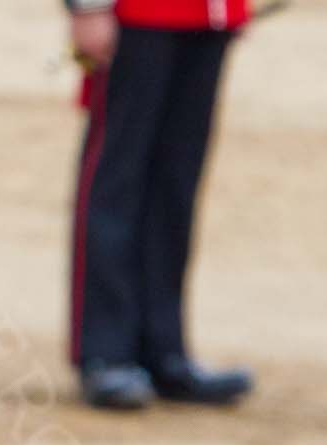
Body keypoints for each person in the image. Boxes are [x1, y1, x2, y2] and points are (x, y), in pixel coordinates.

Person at [67, 0, 256, 410]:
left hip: (207, 14)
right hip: (135, 14)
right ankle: (105, 352)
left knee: (175, 187)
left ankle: (163, 350)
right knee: (116, 183)